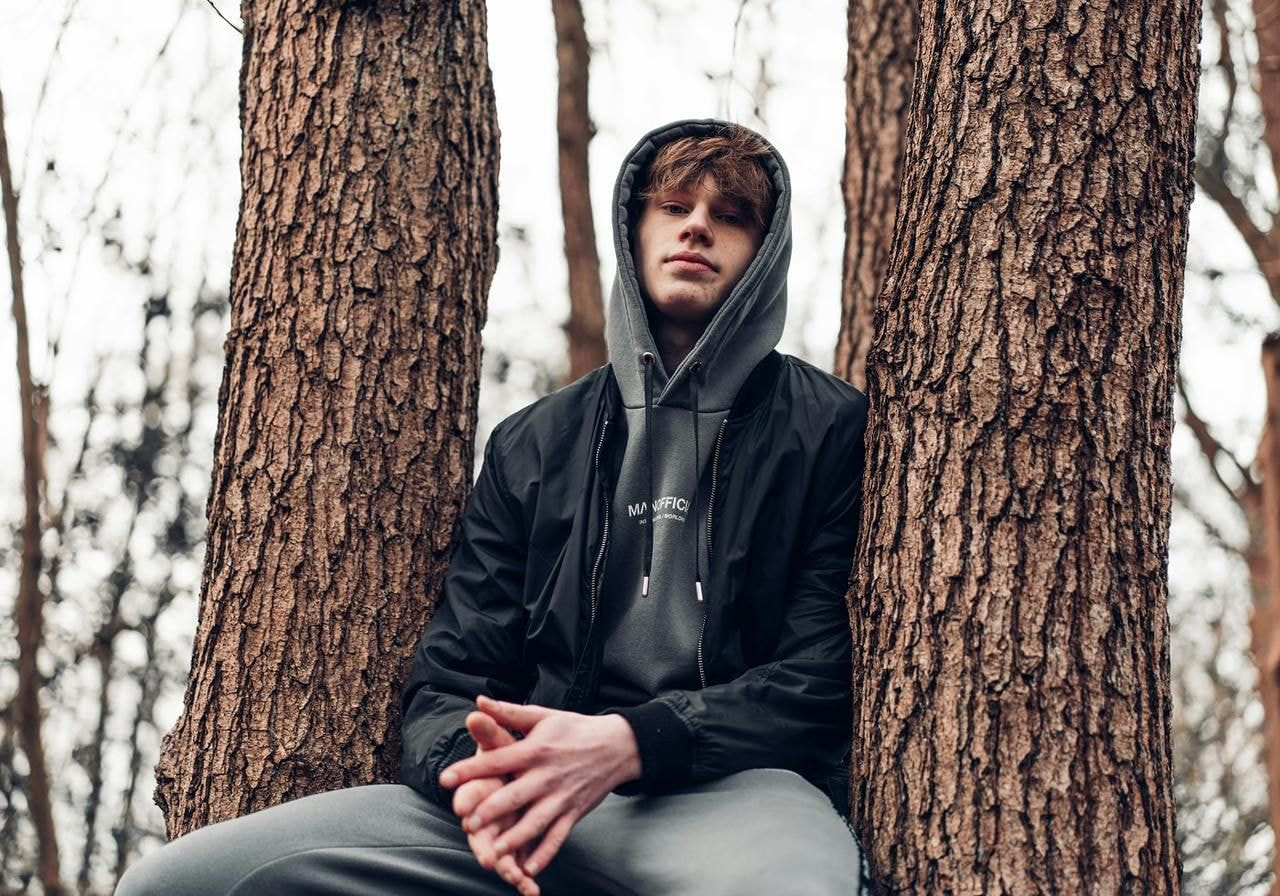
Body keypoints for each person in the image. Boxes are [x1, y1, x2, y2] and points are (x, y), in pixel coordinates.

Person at [115, 119, 869, 896]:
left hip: (735, 797)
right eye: (673, 206)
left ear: (764, 252)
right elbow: (451, 679)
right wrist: (483, 778)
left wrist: (633, 741)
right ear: (633, 229)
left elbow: (819, 679)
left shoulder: (829, 429)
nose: (697, 227)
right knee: (180, 884)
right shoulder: (535, 444)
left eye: (730, 215)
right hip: (529, 792)